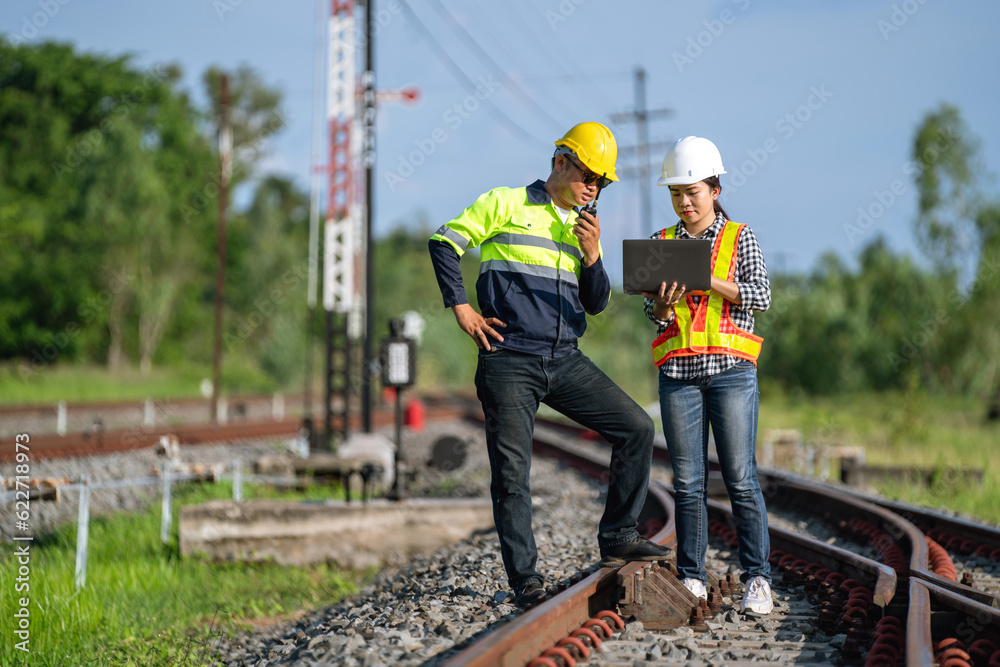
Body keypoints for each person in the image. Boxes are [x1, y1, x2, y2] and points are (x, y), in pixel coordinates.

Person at [429, 122, 671, 607]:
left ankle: (618, 536)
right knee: (513, 475)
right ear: (561, 161)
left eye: (602, 182)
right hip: (509, 359)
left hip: (565, 361)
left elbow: (597, 303)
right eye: (589, 174)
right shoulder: (505, 203)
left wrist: (593, 254)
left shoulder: (581, 225)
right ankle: (526, 581)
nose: (594, 187)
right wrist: (461, 307)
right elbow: (443, 242)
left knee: (637, 428)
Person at [641, 136, 774, 615]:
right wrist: (662, 302)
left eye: (693, 191)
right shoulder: (660, 244)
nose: (684, 201)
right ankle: (692, 577)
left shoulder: (740, 237)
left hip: (732, 374)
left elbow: (760, 296)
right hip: (678, 376)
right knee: (688, 482)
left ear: (715, 189)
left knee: (739, 478)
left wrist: (706, 277)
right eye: (676, 193)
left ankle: (758, 578)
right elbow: (652, 314)